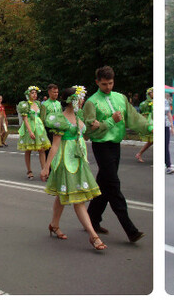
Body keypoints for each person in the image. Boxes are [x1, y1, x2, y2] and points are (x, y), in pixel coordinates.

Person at [83, 65, 150, 243]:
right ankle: (130, 230)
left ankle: (91, 219)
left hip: (116, 145)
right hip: (101, 146)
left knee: (104, 185)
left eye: (110, 83)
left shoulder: (120, 98)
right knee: (114, 185)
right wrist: (111, 121)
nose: (108, 87)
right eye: (104, 84)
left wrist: (149, 126)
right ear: (97, 82)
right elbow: (90, 131)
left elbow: (134, 118)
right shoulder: (92, 102)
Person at [39, 86, 106, 250]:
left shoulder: (80, 115)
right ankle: (93, 236)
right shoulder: (60, 119)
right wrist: (46, 167)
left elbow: (85, 134)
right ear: (72, 101)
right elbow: (54, 146)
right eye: (80, 98)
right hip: (65, 162)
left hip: (79, 161)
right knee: (78, 199)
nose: (83, 101)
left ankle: (54, 224)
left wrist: (97, 127)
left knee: (63, 195)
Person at [18, 86, 51, 179]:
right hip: (30, 127)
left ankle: (44, 171)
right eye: (32, 93)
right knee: (28, 150)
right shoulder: (25, 104)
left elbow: (41, 116)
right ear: (28, 94)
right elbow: (25, 119)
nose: (34, 95)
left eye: (35, 93)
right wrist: (30, 131)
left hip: (39, 128)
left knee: (42, 149)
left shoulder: (38, 104)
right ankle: (29, 170)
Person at [134, 87, 154, 163]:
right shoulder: (145, 104)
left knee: (151, 141)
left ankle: (139, 154)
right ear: (149, 94)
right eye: (153, 92)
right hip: (150, 123)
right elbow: (144, 114)